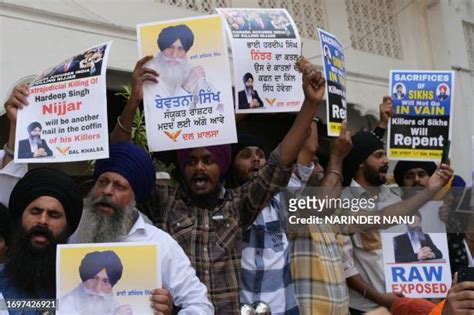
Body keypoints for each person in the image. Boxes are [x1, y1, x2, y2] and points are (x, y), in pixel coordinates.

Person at [111, 56, 326, 312]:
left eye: (208, 160)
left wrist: (310, 104)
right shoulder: (164, 200)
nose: (199, 167)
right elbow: (119, 163)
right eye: (191, 161)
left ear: (221, 165)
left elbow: (280, 162)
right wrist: (134, 101)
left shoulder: (238, 205)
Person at [70, 141, 214, 314]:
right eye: (102, 182)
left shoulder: (160, 244)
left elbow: (201, 306)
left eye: (119, 186)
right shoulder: (74, 235)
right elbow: (52, 300)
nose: (107, 191)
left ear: (134, 198)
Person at [340, 130, 453, 314]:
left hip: (405, 305)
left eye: (385, 154)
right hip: (367, 308)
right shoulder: (343, 202)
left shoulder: (394, 197)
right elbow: (346, 268)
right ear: (361, 162)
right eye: (379, 155)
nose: (386, 160)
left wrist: (441, 213)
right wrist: (382, 299)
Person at [0, 168, 83, 305]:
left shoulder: (85, 291)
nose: (43, 220)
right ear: (20, 218)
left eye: (53, 215)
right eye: (35, 212)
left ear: (67, 226)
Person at [143, 24, 213, 103]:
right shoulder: (150, 71)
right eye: (170, 47)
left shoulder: (191, 71)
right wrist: (186, 86)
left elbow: (216, 104)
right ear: (162, 47)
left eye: (180, 49)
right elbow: (160, 113)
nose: (174, 55)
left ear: (186, 52)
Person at [60, 251, 130, 315]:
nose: (97, 288)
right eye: (94, 278)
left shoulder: (114, 305)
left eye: (105, 281)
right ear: (84, 278)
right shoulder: (62, 305)